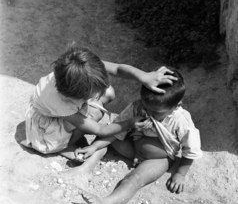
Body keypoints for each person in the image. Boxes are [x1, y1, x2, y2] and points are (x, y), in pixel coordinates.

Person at [76, 70, 203, 204]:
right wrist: (94, 146)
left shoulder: (181, 121)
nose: (148, 112)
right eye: (146, 106)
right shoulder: (138, 106)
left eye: (155, 112)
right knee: (107, 133)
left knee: (134, 179)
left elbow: (191, 150)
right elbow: (118, 128)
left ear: (176, 106)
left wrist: (180, 174)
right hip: (132, 147)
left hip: (157, 160)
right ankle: (87, 165)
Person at [21, 45, 176, 163]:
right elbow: (100, 129)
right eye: (93, 92)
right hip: (47, 120)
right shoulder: (62, 104)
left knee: (108, 92)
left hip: (55, 106)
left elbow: (117, 68)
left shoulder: (83, 67)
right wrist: (129, 123)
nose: (98, 93)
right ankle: (66, 145)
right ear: (76, 96)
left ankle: (70, 134)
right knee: (95, 114)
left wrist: (144, 76)